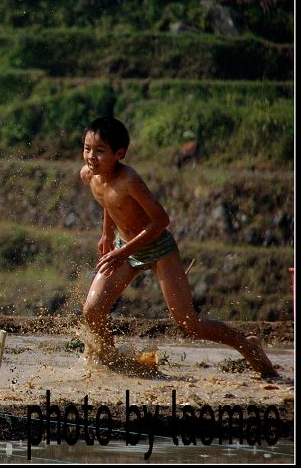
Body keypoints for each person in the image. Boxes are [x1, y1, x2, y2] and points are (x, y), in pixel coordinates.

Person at [79, 116, 277, 378]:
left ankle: (247, 345)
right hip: (124, 248)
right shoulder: (89, 175)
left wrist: (122, 252)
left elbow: (161, 220)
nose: (91, 157)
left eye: (100, 151)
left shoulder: (129, 180)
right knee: (92, 310)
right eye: (86, 148)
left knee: (188, 323)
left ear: (119, 154)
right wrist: (107, 233)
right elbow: (107, 201)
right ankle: (113, 360)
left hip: (158, 247)